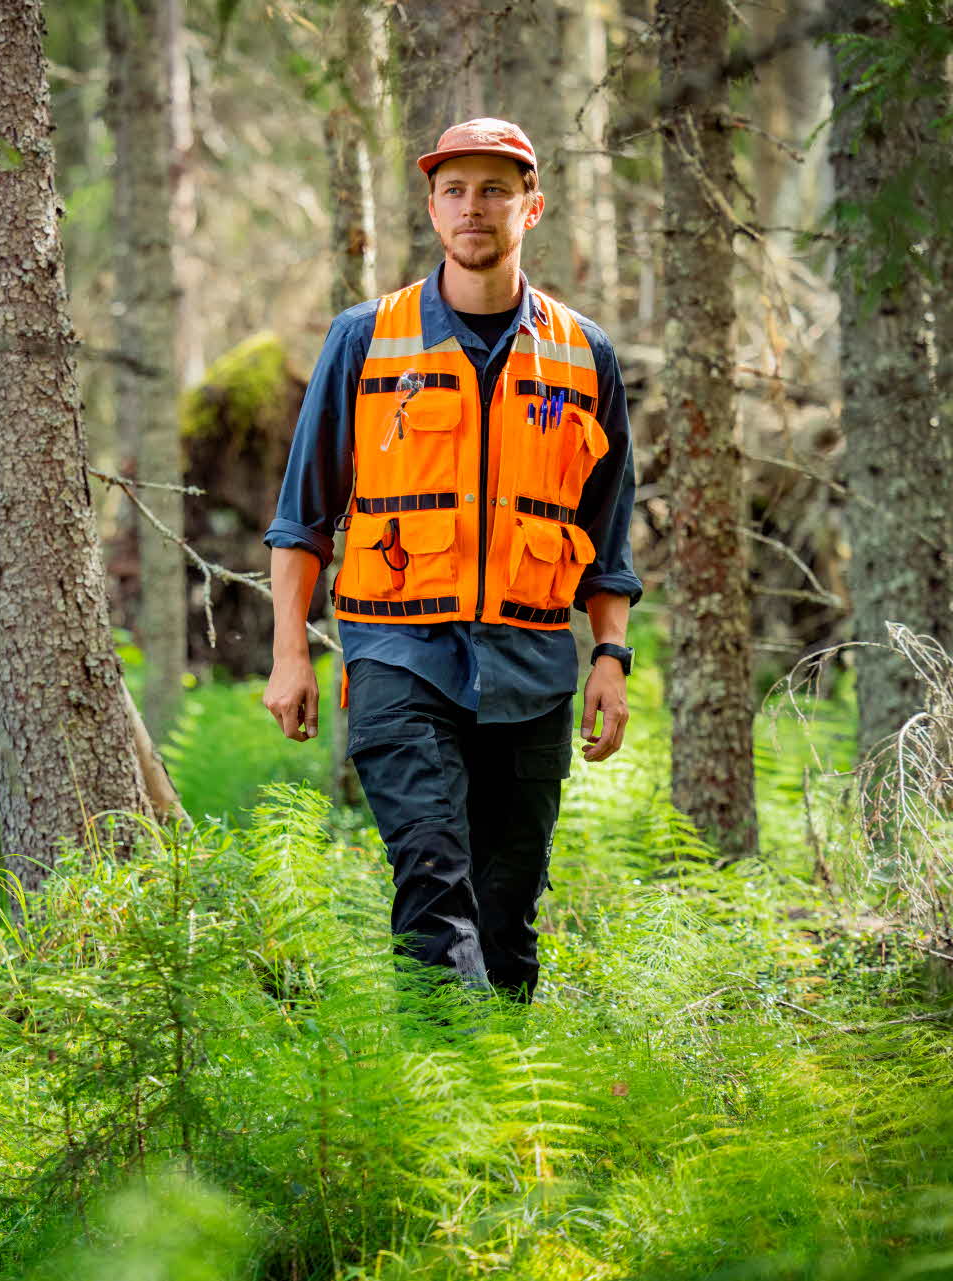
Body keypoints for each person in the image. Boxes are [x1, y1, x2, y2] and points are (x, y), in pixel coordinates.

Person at [260, 117, 641, 1002]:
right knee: (436, 896)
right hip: (400, 658)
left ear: (531, 208)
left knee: (507, 915)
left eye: (495, 189)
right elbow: (302, 519)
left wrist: (612, 658)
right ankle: (444, 1115)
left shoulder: (586, 357)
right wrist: (290, 653)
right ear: (433, 208)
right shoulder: (366, 339)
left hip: (535, 669)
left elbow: (606, 536)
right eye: (457, 190)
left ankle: (506, 1109)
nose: (475, 208)